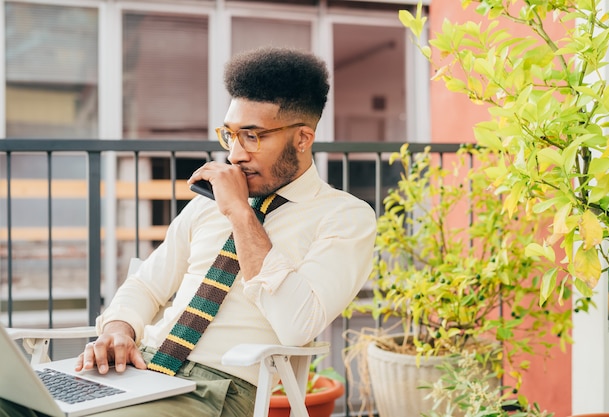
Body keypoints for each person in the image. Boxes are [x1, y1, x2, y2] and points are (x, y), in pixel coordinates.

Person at [0, 47, 376, 417]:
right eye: (229, 135)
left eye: (252, 136)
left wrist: (240, 214)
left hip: (217, 390)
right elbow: (147, 284)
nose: (235, 155)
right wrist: (118, 329)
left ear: (302, 139)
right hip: (138, 370)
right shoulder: (205, 205)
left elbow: (297, 326)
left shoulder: (344, 217)